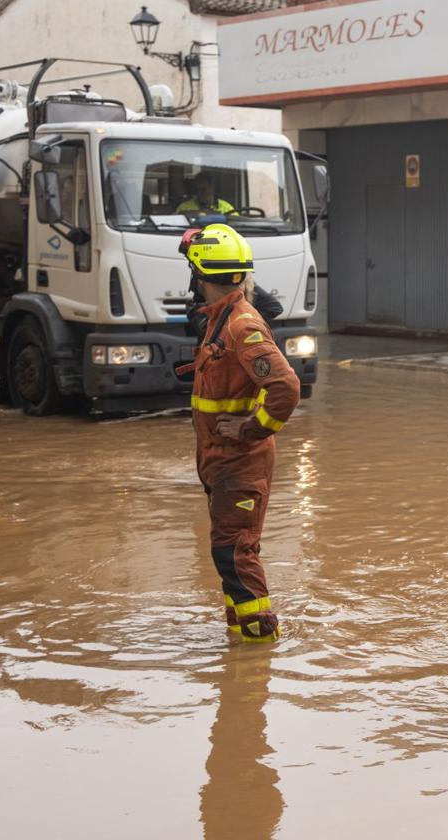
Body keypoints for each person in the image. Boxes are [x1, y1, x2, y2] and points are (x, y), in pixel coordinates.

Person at [179, 223, 301, 643]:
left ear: (199, 276)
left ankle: (258, 648)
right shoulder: (221, 319)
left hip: (240, 459)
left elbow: (285, 388)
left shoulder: (241, 327)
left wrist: (252, 429)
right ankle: (241, 643)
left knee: (234, 553)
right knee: (228, 552)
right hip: (220, 460)